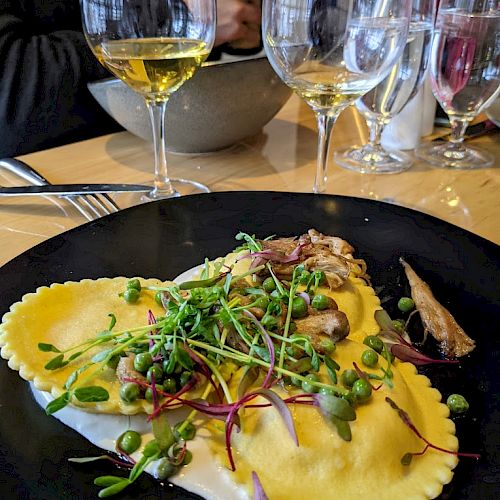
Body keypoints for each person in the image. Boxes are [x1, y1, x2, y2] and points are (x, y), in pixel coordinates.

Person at [0, 0, 262, 158]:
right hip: (56, 177)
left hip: (201, 143)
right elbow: (13, 89)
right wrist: (188, 19)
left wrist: (245, 21)